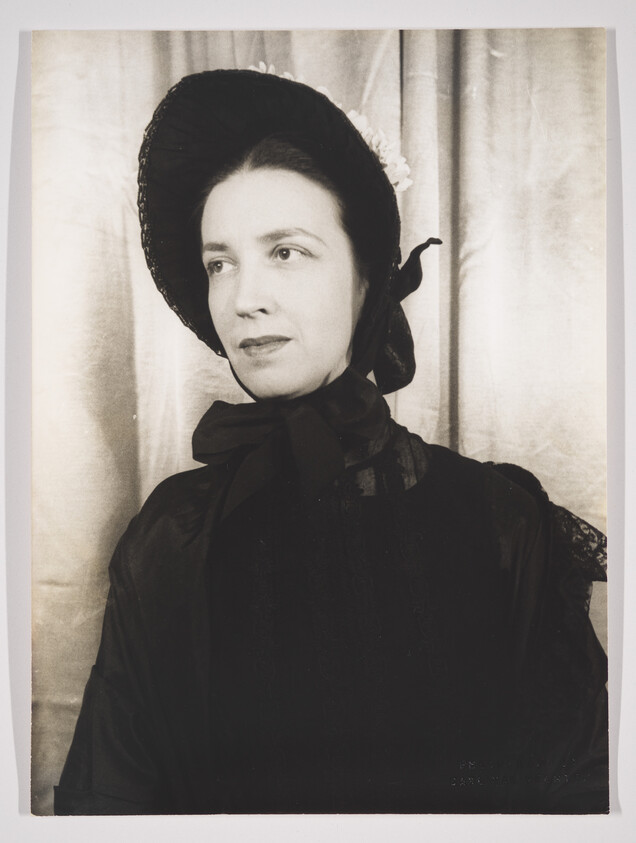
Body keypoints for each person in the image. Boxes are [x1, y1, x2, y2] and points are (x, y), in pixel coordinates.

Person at [54, 67, 608, 815]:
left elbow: (575, 805)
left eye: (286, 251)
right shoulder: (168, 537)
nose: (243, 297)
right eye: (221, 262)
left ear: (365, 277)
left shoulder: (502, 522)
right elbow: (106, 807)